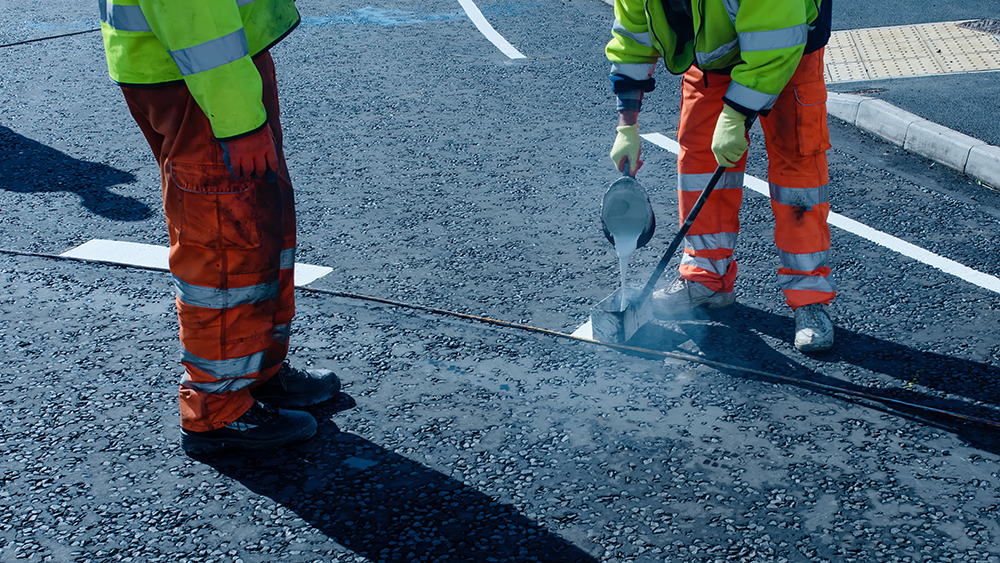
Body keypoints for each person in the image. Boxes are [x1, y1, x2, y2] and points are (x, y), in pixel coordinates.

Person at [99, 0, 341, 453]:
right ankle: (218, 407)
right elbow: (195, 14)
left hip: (207, 70)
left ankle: (255, 373)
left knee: (259, 228)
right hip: (202, 81)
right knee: (227, 246)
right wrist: (239, 122)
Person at [606, 0, 836, 352]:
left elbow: (774, 40)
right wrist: (628, 124)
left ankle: (809, 298)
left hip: (788, 44)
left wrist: (736, 114)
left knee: (796, 167)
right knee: (699, 154)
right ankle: (707, 277)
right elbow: (634, 32)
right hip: (713, 53)